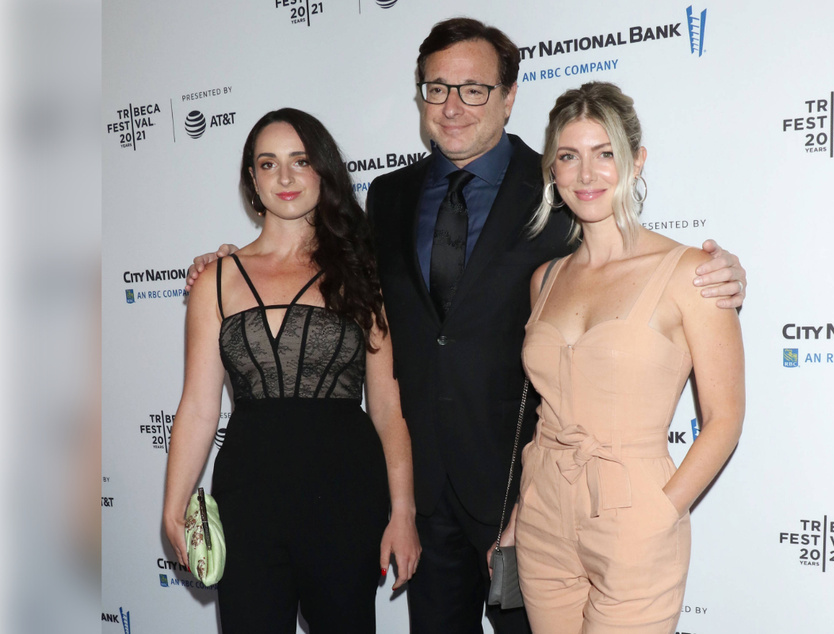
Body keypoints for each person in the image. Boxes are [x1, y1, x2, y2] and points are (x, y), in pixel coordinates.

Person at [186, 18, 747, 634]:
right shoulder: (390, 198)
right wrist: (223, 267)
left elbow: (631, 267)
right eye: (436, 88)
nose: (452, 106)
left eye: (474, 89)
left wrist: (725, 272)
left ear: (509, 97)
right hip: (423, 493)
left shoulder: (560, 184)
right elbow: (323, 271)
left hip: (527, 489)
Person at [163, 108, 420, 634]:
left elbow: (389, 408)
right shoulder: (217, 279)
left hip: (346, 497)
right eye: (268, 163)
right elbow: (198, 405)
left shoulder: (360, 269)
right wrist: (173, 504)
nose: (284, 177)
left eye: (300, 161)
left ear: (322, 172)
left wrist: (403, 511)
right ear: (251, 181)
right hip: (248, 499)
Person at [509, 82, 745, 634]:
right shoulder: (545, 278)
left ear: (636, 162)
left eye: (604, 153)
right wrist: (524, 510)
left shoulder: (693, 272)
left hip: (635, 509)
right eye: (568, 156)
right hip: (542, 511)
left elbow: (725, 420)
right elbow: (546, 410)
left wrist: (660, 515)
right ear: (552, 169)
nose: (586, 175)